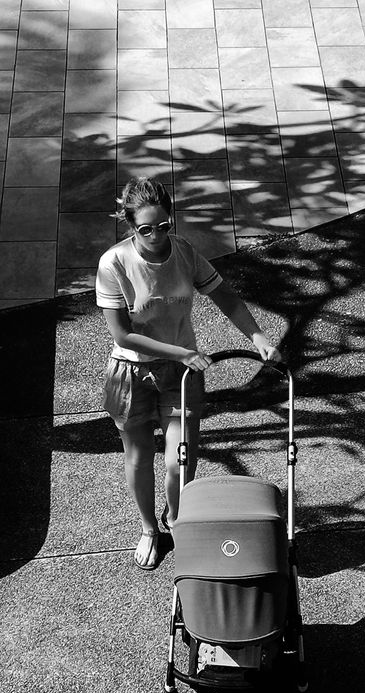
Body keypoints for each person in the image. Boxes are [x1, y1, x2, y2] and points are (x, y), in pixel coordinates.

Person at [96, 176, 282, 570]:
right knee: (139, 458)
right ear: (130, 226)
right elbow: (122, 334)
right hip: (131, 374)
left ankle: (178, 520)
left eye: (164, 225)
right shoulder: (114, 263)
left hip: (181, 372)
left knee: (179, 460)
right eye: (146, 229)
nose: (157, 235)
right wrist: (182, 352)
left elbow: (224, 295)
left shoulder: (184, 252)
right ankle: (149, 528)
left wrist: (258, 336)